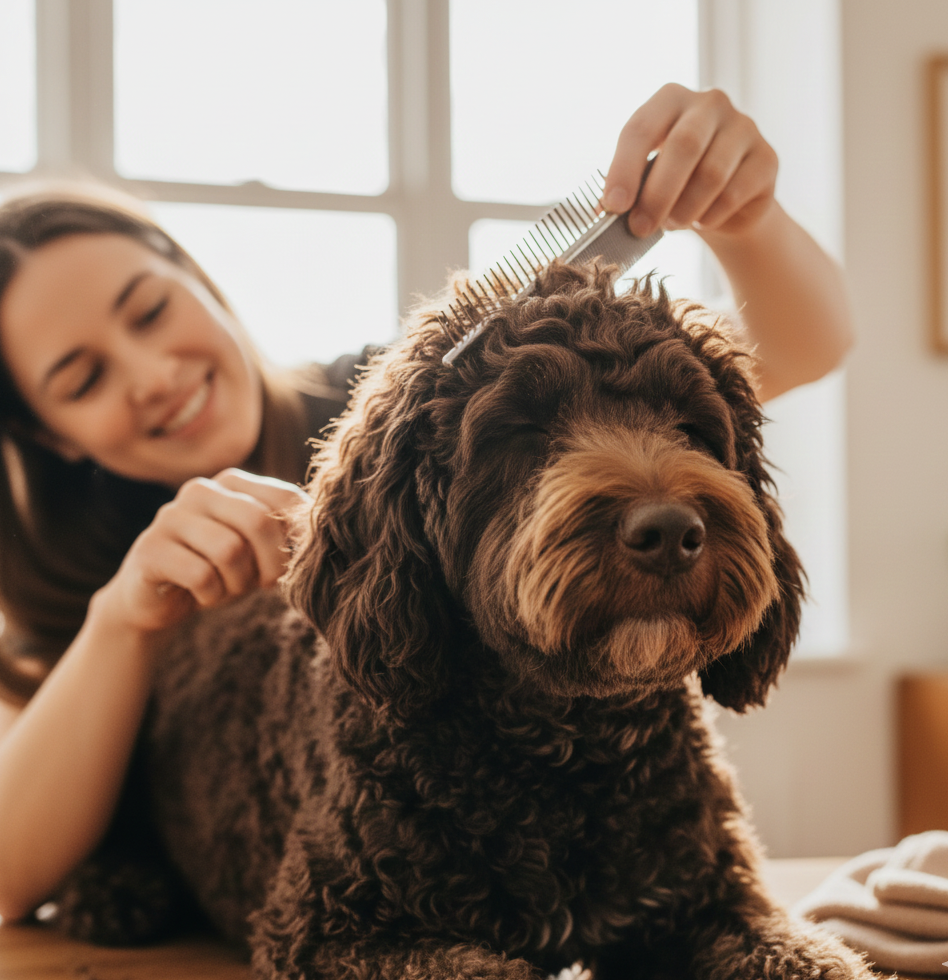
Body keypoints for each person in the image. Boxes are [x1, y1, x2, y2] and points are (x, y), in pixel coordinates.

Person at [0, 83, 853, 925]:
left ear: (199, 280)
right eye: (83, 378)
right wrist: (121, 621)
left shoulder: (407, 409)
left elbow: (800, 350)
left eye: (148, 310)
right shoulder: (57, 584)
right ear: (50, 436)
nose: (153, 377)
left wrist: (747, 219)